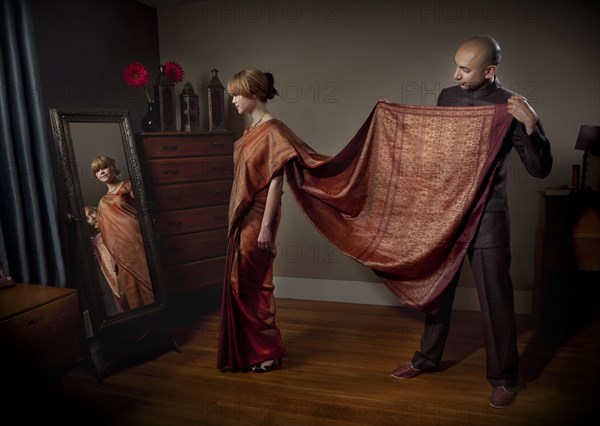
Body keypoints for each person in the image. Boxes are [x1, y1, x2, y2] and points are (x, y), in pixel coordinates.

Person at [389, 35, 553, 409]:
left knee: (496, 300)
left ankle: (504, 378)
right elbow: (439, 153)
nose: (456, 74)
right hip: (448, 214)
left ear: (490, 71)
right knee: (438, 292)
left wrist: (533, 125)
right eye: (456, 66)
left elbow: (540, 169)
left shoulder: (511, 106)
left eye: (464, 69)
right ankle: (427, 360)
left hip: (489, 217)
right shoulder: (447, 97)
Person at [217, 68, 328, 373]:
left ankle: (267, 351)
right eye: (232, 96)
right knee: (241, 281)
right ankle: (249, 349)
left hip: (260, 215)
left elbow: (276, 182)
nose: (234, 101)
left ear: (253, 93)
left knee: (255, 283)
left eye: (237, 95)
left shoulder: (274, 131)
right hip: (243, 214)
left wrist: (266, 225)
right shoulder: (249, 131)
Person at [91, 155, 155, 310]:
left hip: (138, 242)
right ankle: (143, 323)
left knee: (149, 279)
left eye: (104, 167)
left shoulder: (128, 186)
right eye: (97, 171)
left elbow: (145, 209)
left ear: (113, 167)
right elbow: (106, 232)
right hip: (121, 252)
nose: (102, 172)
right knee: (132, 288)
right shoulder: (101, 203)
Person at [84, 205, 124, 312]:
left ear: (95, 208)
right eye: (87, 219)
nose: (91, 218)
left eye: (91, 213)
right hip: (114, 278)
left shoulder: (113, 223)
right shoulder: (96, 242)